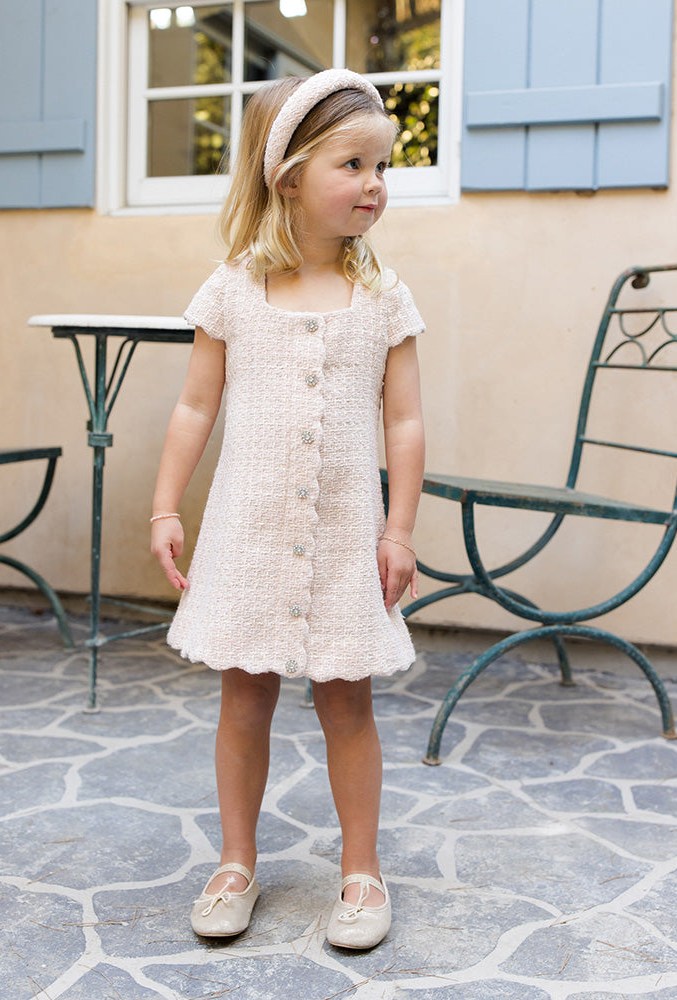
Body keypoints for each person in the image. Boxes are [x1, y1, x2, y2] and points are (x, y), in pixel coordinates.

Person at [150, 68, 425, 950]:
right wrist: (165, 505)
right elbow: (195, 406)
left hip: (346, 535)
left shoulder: (383, 296)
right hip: (251, 532)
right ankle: (236, 860)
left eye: (384, 166)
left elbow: (406, 418)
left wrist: (400, 527)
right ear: (289, 174)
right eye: (355, 164)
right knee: (244, 696)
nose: (376, 184)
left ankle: (361, 870)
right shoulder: (233, 288)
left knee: (349, 704)